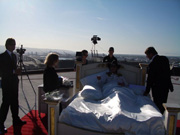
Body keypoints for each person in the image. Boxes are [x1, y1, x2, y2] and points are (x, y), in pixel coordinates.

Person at [0, 38, 26, 134]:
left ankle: (16, 120)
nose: (14, 46)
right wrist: (14, 71)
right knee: (6, 104)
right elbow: (2, 72)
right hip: (7, 83)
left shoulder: (14, 56)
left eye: (14, 44)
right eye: (12, 44)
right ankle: (1, 124)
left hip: (14, 82)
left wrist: (16, 71)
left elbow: (13, 68)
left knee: (15, 102)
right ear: (7, 45)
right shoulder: (2, 56)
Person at [143, 47, 174, 114]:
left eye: (147, 55)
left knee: (157, 105)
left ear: (151, 54)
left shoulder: (152, 64)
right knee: (163, 104)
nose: (147, 57)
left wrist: (147, 91)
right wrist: (170, 85)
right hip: (165, 87)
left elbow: (150, 79)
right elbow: (168, 74)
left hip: (157, 88)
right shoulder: (165, 59)